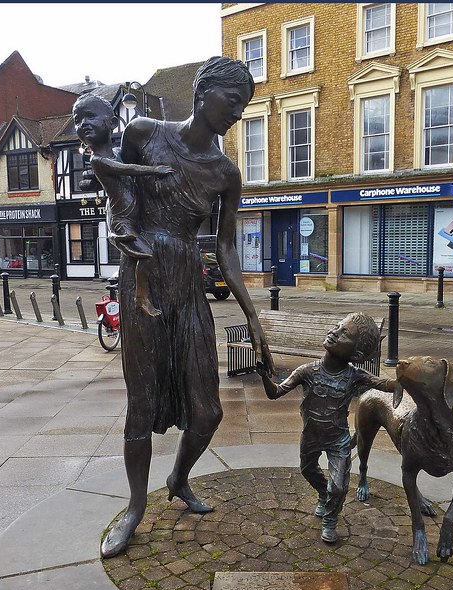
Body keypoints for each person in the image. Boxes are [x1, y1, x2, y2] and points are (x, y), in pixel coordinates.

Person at [100, 56, 274, 558]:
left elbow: (225, 247)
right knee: (142, 401)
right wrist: (122, 232)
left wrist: (252, 314)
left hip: (189, 285)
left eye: (244, 106)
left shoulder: (225, 172)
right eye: (233, 101)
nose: (238, 113)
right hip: (145, 281)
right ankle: (135, 508)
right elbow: (119, 197)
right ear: (204, 94)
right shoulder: (143, 133)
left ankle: (178, 477)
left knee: (209, 410)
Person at [256, 313, 395, 544]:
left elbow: (386, 385)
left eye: (344, 334)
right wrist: (263, 377)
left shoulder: (355, 376)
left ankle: (330, 519)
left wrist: (410, 377)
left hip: (338, 440)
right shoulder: (306, 371)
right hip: (310, 437)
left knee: (339, 487)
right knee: (308, 470)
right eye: (337, 327)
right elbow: (275, 393)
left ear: (357, 354)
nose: (334, 332)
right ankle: (323, 494)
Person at [73, 93, 173, 317]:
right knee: (146, 254)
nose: (83, 124)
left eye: (90, 116)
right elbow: (128, 170)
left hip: (130, 215)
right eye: (77, 120)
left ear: (112, 124)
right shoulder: (97, 160)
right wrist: (155, 170)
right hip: (123, 220)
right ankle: (141, 297)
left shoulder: (119, 153)